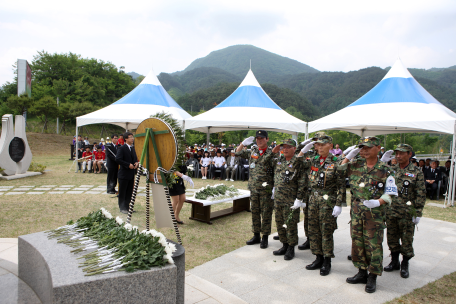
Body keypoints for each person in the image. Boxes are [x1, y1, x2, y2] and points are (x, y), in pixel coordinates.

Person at [338, 137, 395, 293]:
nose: (364, 150)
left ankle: (373, 276)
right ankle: (361, 271)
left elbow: (391, 193)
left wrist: (379, 202)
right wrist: (348, 157)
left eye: (368, 147)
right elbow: (338, 171)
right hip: (357, 210)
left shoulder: (386, 169)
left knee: (374, 245)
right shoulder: (356, 164)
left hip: (374, 213)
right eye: (362, 148)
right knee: (357, 242)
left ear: (378, 148)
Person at [299, 135, 345, 275]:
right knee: (313, 230)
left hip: (328, 201)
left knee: (326, 231)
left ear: (331, 146)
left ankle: (327, 261)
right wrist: (303, 149)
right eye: (317, 145)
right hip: (313, 199)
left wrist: (339, 204)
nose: (319, 147)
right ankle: (318, 257)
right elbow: (298, 162)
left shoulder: (336, 162)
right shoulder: (314, 160)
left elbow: (341, 186)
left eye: (323, 145)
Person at [380, 144, 425, 279]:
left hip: (406, 212)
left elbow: (421, 194)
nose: (398, 156)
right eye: (397, 153)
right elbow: (378, 173)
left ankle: (405, 264)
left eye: (402, 153)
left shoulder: (417, 172)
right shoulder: (391, 169)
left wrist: (417, 212)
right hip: (391, 210)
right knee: (392, 238)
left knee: (406, 239)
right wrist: (382, 161)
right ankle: (394, 262)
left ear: (409, 154)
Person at [236, 130, 274, 249]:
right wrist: (243, 143)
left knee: (266, 213)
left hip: (266, 189)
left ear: (267, 139)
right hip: (253, 188)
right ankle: (256, 235)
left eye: (262, 138)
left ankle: (265, 237)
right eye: (257, 138)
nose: (259, 140)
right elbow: (237, 153)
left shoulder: (273, 152)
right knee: (255, 212)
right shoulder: (253, 150)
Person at [269, 139, 306, 260]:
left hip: (291, 200)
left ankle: (291, 248)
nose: (285, 149)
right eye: (283, 147)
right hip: (279, 198)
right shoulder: (279, 161)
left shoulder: (298, 162)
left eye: (288, 147)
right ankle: (284, 245)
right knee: (280, 223)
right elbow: (268, 159)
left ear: (294, 149)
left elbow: (302, 182)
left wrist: (299, 198)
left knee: (290, 224)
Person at [116, 132, 139, 214]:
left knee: (129, 191)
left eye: (132, 137)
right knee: (123, 191)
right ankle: (122, 207)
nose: (132, 139)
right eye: (130, 137)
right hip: (123, 174)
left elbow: (134, 159)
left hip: (131, 174)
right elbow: (118, 159)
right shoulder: (122, 148)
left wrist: (136, 163)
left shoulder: (132, 148)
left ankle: (127, 206)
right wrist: (127, 165)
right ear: (125, 139)